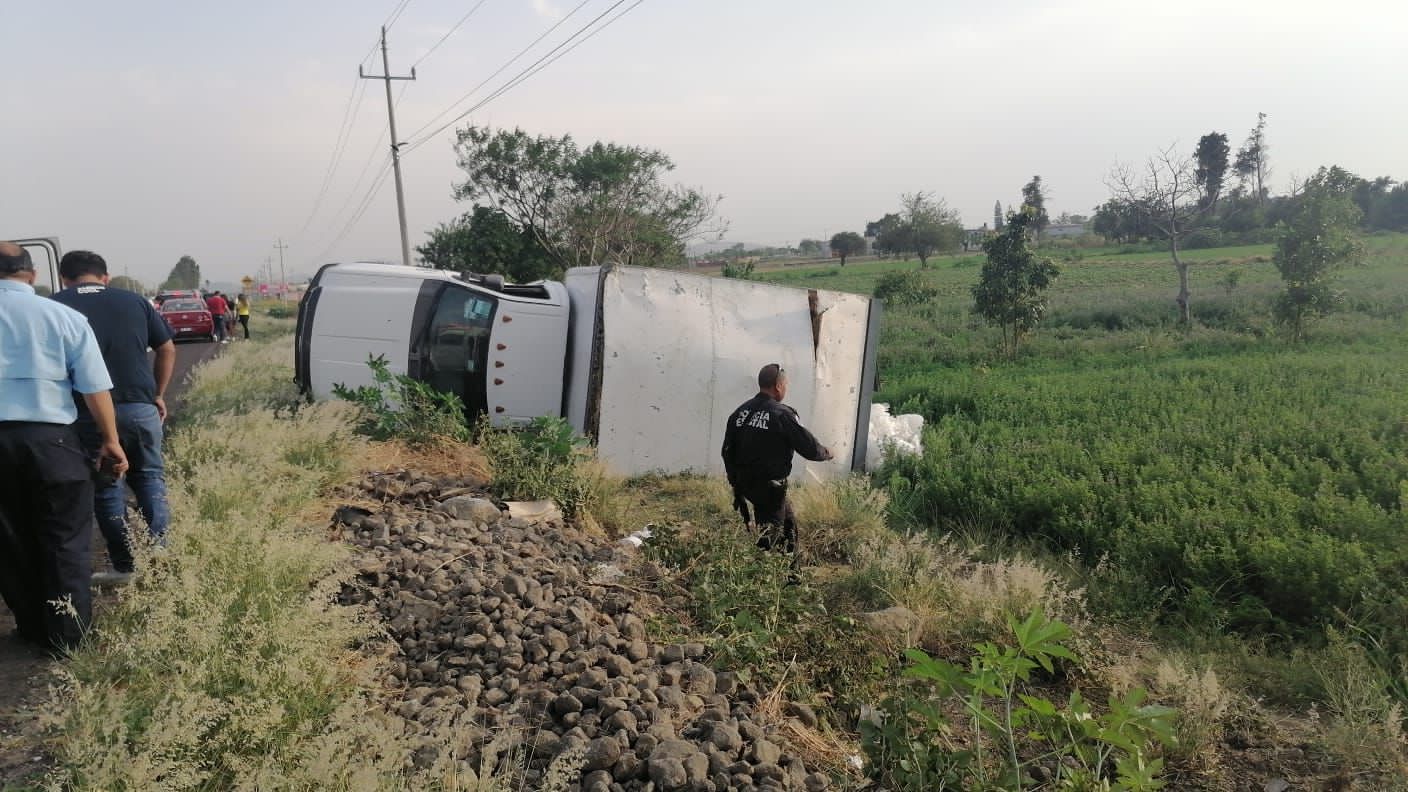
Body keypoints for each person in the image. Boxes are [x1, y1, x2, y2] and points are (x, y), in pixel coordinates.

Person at [0, 241, 128, 652]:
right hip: (52, 443)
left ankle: (32, 626)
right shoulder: (63, 316)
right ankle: (69, 637)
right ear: (32, 274)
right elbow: (95, 388)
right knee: (66, 541)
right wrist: (111, 441)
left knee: (10, 541)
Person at [52, 251, 175, 586]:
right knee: (150, 479)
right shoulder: (134, 301)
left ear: (65, 278)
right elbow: (166, 348)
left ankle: (124, 567)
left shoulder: (54, 305)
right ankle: (162, 557)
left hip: (87, 412)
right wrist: (158, 393)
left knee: (107, 489)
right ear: (104, 277)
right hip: (140, 406)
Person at [721, 363, 833, 557]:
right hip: (769, 489)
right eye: (786, 384)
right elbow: (809, 448)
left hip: (745, 484)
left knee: (788, 521)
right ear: (778, 386)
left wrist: (736, 483)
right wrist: (826, 453)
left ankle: (792, 574)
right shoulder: (782, 414)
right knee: (769, 537)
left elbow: (726, 451)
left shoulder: (740, 413)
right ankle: (758, 574)